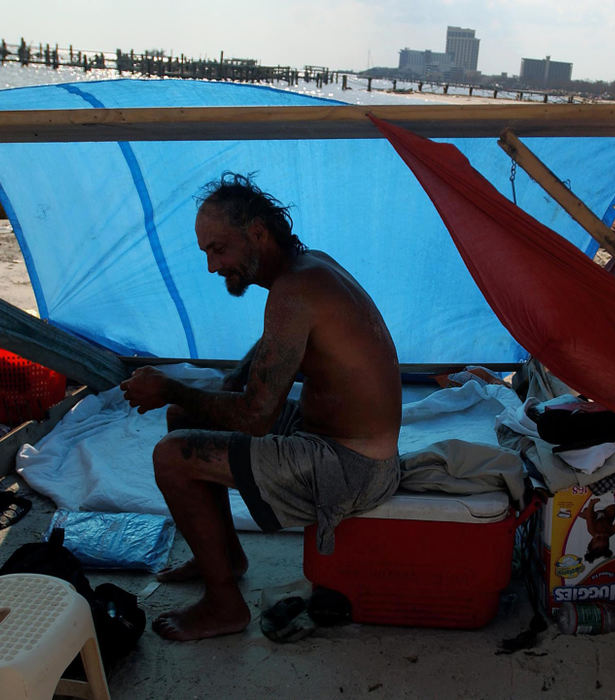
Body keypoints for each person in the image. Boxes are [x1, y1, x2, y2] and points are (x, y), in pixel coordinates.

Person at [120, 172, 403, 640]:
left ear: (256, 234)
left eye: (218, 249)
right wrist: (231, 380)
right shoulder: (309, 268)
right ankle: (226, 557)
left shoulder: (295, 291)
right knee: (184, 420)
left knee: (172, 457)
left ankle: (224, 605)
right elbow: (279, 344)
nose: (213, 266)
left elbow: (256, 418)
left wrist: (170, 387)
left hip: (350, 468)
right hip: (345, 446)